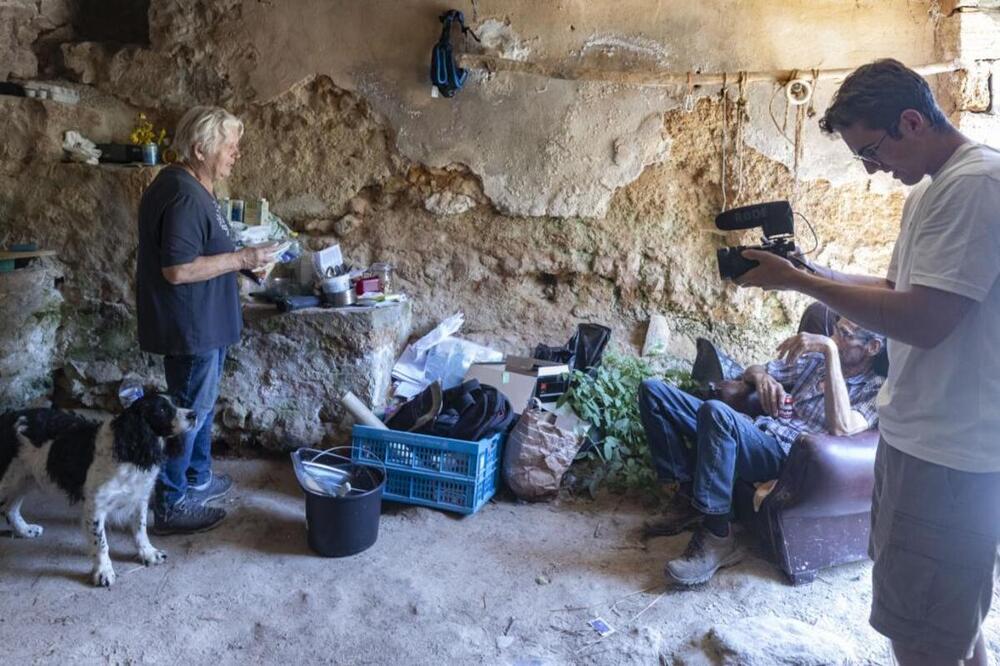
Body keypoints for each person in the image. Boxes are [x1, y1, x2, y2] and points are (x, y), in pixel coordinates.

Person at [735, 59, 1000, 666]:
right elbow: (894, 287)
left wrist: (806, 289)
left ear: (911, 121)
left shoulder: (977, 184)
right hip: (919, 441)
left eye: (872, 153)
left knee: (923, 633)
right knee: (942, 618)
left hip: (953, 454)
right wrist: (805, 272)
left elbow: (926, 322)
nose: (874, 170)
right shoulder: (935, 189)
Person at [639, 315, 886, 586]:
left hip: (788, 455)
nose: (836, 338)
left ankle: (717, 535)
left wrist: (829, 351)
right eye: (835, 331)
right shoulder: (812, 363)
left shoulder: (876, 389)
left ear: (872, 348)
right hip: (759, 430)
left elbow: (842, 426)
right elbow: (751, 369)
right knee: (654, 393)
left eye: (845, 335)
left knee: (717, 413)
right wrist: (764, 379)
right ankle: (687, 495)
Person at [136, 106, 276, 535]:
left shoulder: (195, 185)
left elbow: (203, 251)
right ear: (200, 149)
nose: (236, 154)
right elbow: (177, 270)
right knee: (186, 410)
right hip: (190, 325)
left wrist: (246, 266)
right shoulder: (180, 193)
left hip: (203, 322)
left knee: (200, 406)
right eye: (229, 146)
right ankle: (171, 503)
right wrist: (242, 258)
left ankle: (196, 477)